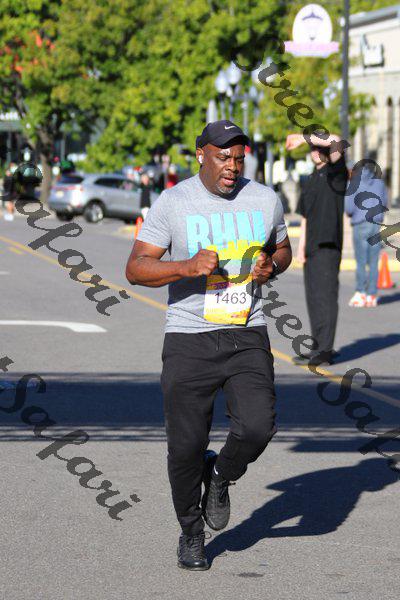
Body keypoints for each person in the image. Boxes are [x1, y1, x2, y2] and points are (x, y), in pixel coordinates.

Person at [126, 119, 292, 571]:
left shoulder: (265, 199)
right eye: (223, 158)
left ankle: (219, 475)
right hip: (188, 335)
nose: (232, 167)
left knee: (257, 427)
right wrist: (185, 267)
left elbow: (282, 249)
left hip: (246, 329)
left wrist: (270, 266)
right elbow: (136, 268)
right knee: (185, 448)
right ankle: (191, 533)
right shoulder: (173, 202)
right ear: (201, 155)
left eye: (239, 159)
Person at [286, 132, 348, 366]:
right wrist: (300, 247)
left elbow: (336, 141)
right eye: (312, 148)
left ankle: (324, 351)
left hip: (327, 245)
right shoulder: (312, 177)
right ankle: (317, 347)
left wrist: (303, 138)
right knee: (313, 299)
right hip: (311, 246)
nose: (314, 151)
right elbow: (305, 216)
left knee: (325, 298)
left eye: (318, 147)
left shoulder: (336, 173)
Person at [345, 160, 388, 308]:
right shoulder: (379, 183)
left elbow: (349, 208)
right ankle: (372, 295)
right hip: (375, 224)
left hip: (360, 224)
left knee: (361, 261)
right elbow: (385, 202)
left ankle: (361, 292)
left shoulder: (353, 183)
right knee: (374, 262)